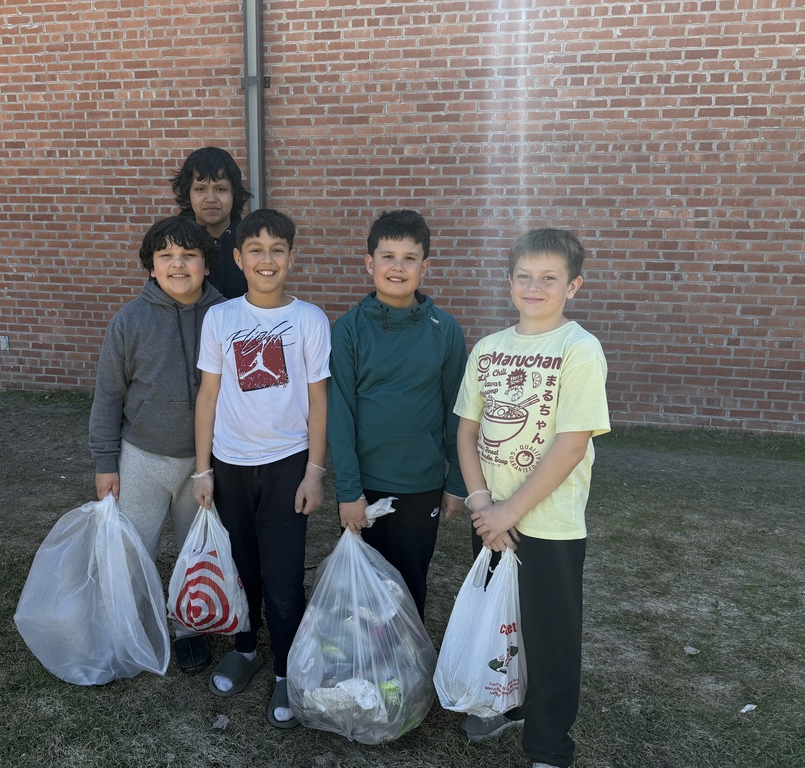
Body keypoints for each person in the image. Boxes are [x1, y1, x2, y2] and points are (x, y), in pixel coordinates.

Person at [452, 228, 610, 768]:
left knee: (550, 640)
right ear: (509, 281)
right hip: (490, 520)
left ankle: (548, 747)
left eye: (549, 278)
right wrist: (479, 502)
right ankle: (505, 704)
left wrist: (507, 513)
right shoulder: (490, 348)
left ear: (574, 286)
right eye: (524, 276)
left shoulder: (579, 349)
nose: (534, 287)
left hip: (548, 527)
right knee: (501, 623)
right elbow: (467, 431)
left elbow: (570, 446)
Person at [192, 208, 330, 729]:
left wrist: (314, 471)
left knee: (284, 574)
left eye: (278, 250)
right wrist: (202, 469)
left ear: (292, 257)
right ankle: (247, 648)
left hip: (287, 465)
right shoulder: (221, 319)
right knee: (242, 565)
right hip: (230, 463)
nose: (266, 260)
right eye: (256, 250)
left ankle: (287, 669)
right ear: (237, 258)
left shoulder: (310, 320)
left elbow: (319, 401)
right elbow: (208, 396)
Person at [88, 215, 226, 675]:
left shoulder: (227, 316)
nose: (178, 264)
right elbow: (108, 394)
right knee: (134, 550)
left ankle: (188, 626)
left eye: (189, 255)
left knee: (196, 549)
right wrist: (106, 462)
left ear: (207, 264)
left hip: (204, 463)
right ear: (151, 267)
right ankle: (129, 625)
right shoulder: (129, 320)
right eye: (166, 256)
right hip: (142, 457)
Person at [327, 209, 467, 620]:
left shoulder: (446, 329)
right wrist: (348, 492)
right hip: (365, 485)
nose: (398, 267)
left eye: (409, 258)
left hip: (421, 483)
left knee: (408, 582)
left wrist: (456, 480)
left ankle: (404, 674)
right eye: (388, 256)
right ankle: (363, 667)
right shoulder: (348, 329)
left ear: (425, 267)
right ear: (370, 263)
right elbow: (340, 414)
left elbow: (457, 412)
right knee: (362, 586)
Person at [171, 146, 252, 299]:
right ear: (188, 193)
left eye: (220, 189)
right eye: (200, 189)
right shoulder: (170, 243)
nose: (211, 199)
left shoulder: (252, 243)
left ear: (234, 192)